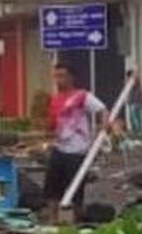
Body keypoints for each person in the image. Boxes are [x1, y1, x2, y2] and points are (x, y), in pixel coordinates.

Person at [43, 63, 112, 220]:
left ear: (71, 78)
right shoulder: (55, 100)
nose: (58, 80)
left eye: (62, 76)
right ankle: (53, 219)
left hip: (78, 150)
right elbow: (51, 124)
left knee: (76, 188)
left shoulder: (81, 96)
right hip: (59, 148)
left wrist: (104, 124)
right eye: (56, 76)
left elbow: (102, 109)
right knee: (52, 186)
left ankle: (77, 219)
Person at [124, 70, 142, 139]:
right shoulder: (133, 82)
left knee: (134, 118)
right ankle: (137, 132)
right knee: (135, 118)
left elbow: (135, 83)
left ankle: (138, 132)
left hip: (135, 102)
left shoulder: (134, 81)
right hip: (134, 102)